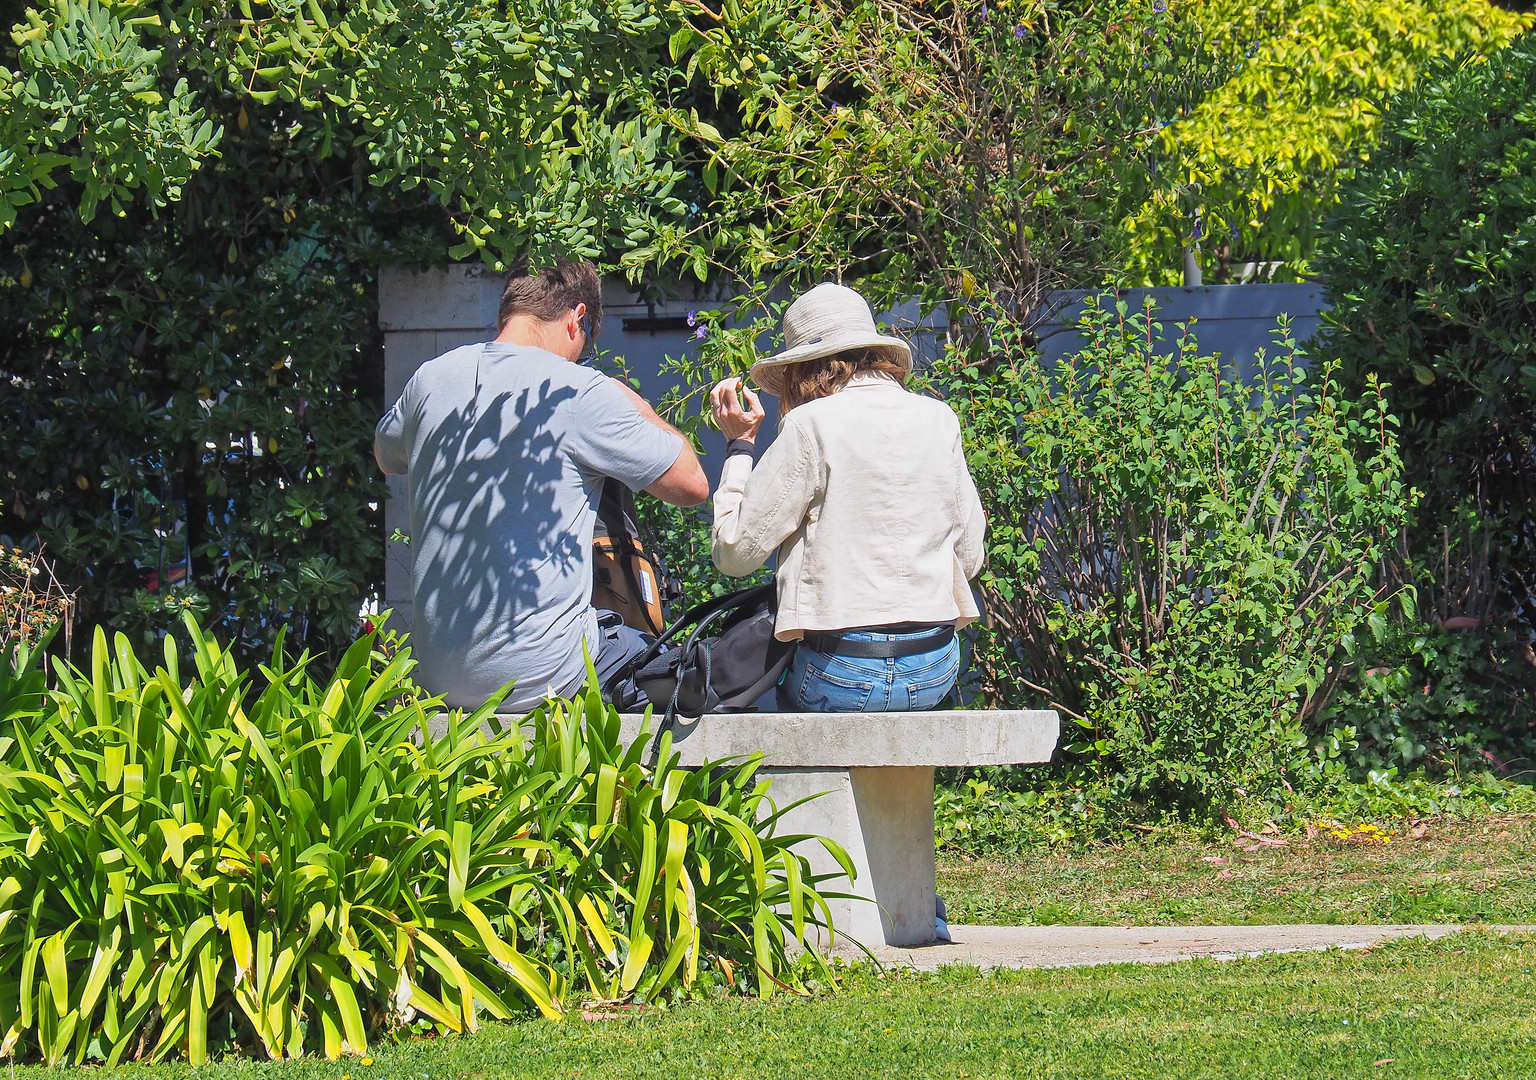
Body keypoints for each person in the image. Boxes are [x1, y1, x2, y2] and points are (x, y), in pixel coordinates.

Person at [374, 258, 708, 713]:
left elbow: (385, 456)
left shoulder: (430, 380)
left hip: (437, 678)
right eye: (585, 344)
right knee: (664, 656)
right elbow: (691, 484)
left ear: (506, 317)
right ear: (577, 320)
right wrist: (637, 405)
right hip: (544, 675)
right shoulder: (579, 390)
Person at [708, 281, 986, 713]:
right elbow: (968, 559)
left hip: (842, 672)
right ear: (876, 355)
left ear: (802, 370)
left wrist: (740, 445)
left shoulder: (810, 424)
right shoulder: (939, 418)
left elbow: (733, 554)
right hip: (935, 668)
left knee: (760, 690)